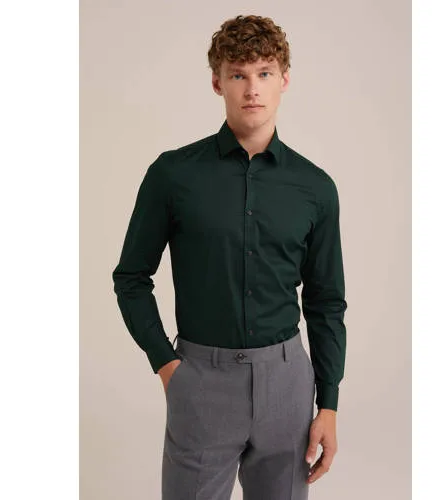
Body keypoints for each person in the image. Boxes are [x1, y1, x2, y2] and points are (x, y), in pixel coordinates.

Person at [112, 14, 348, 500]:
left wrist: (328, 403)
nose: (252, 88)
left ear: (284, 79)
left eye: (264, 73)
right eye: (238, 74)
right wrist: (167, 365)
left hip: (287, 385)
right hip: (201, 380)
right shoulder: (173, 175)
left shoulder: (315, 187)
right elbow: (131, 277)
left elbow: (326, 301)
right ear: (217, 82)